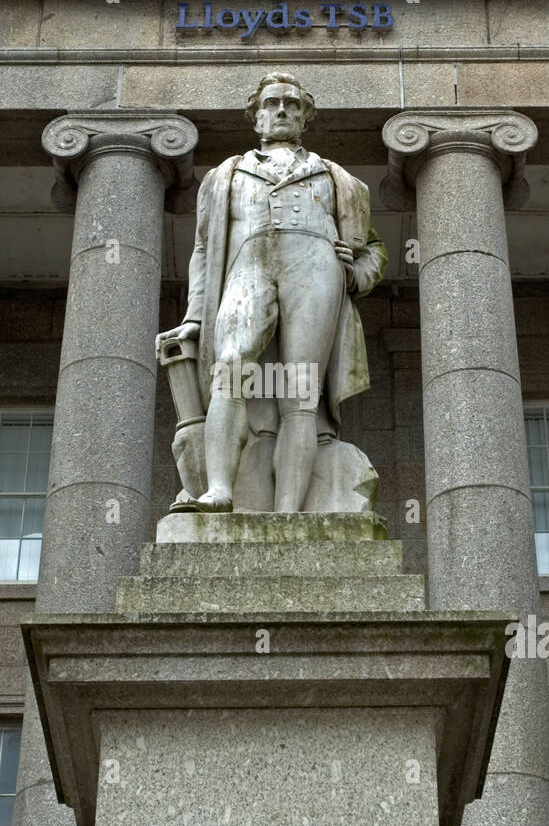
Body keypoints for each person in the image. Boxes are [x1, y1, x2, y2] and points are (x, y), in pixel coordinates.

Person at [155, 71, 387, 512]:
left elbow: (373, 248)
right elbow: (204, 250)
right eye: (272, 103)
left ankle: (288, 510)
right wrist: (193, 317)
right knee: (230, 369)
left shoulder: (337, 178)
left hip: (316, 270)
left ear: (304, 118)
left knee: (299, 393)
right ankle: (219, 491)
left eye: (292, 105)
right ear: (257, 117)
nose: (282, 110)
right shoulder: (225, 175)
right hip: (249, 266)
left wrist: (356, 273)